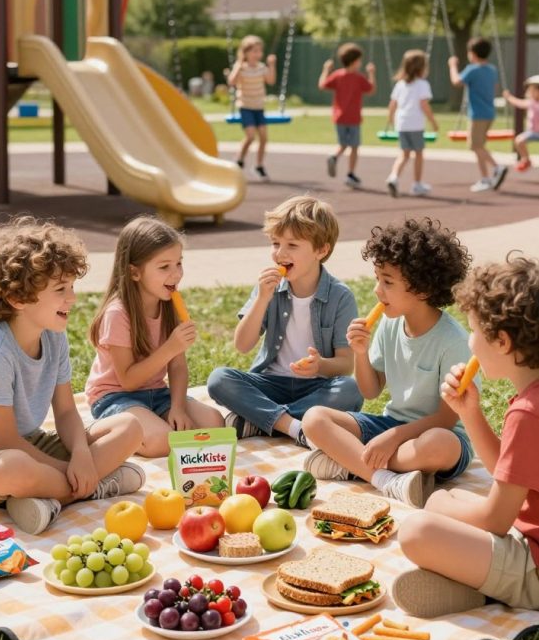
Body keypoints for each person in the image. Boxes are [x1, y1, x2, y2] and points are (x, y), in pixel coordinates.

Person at [0, 218, 145, 536]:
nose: (72, 298)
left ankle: (51, 498)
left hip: (30, 442)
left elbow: (68, 411)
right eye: (60, 290)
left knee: (130, 426)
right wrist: (74, 472)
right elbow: (5, 442)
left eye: (71, 287)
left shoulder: (54, 337)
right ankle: (90, 487)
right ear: (18, 299)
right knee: (13, 468)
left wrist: (82, 456)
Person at [392, 256, 539, 618]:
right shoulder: (531, 398)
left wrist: (440, 506)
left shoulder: (528, 413)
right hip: (529, 535)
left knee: (419, 528)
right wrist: (469, 413)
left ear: (502, 342)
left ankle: (491, 592)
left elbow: (495, 521)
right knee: (454, 497)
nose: (470, 342)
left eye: (473, 331)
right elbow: (511, 471)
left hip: (534, 564)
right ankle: (477, 585)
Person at [302, 218, 473, 508]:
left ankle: (352, 463)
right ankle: (385, 479)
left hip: (434, 434)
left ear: (422, 290)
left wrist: (393, 438)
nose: (377, 291)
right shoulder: (390, 324)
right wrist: (360, 351)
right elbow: (370, 392)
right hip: (390, 425)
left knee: (439, 445)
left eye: (388, 282)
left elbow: (447, 418)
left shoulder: (453, 341)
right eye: (377, 279)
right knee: (314, 419)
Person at [207, 195, 363, 445]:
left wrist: (320, 365)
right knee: (219, 379)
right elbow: (242, 345)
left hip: (315, 388)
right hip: (270, 383)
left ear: (321, 250)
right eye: (275, 243)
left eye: (292, 245)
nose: (280, 253)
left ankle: (263, 419)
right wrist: (262, 300)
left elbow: (345, 365)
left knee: (350, 390)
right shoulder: (268, 288)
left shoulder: (340, 296)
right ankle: (294, 426)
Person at [86, 216, 223, 458]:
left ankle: (151, 424)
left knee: (214, 423)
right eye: (164, 267)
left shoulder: (170, 305)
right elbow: (128, 381)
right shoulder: (117, 314)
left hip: (156, 394)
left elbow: (178, 366)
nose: (176, 274)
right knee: (162, 441)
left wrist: (178, 408)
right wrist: (170, 348)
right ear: (135, 272)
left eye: (179, 263)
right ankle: (102, 433)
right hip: (115, 397)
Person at [448, 38, 508, 193]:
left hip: (477, 114)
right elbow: (494, 86)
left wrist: (452, 65)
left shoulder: (472, 69)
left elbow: (456, 81)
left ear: (472, 54)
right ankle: (485, 179)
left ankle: (497, 167)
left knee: (475, 146)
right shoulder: (492, 69)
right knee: (479, 146)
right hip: (489, 112)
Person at [319, 42, 376, 188]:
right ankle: (350, 174)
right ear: (356, 61)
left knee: (343, 144)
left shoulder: (337, 75)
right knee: (354, 147)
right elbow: (371, 90)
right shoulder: (358, 77)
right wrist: (371, 73)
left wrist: (325, 69)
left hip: (339, 117)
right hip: (354, 118)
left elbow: (322, 85)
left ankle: (334, 156)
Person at [385, 49, 438, 198]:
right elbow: (424, 105)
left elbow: (392, 104)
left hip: (401, 123)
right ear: (422, 68)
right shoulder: (422, 84)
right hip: (415, 124)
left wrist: (390, 119)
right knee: (419, 154)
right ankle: (417, 184)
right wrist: (433, 121)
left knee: (404, 154)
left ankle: (393, 177)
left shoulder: (400, 84)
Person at [227, 35, 277, 181]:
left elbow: (271, 81)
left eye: (259, 51)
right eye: (254, 51)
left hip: (259, 106)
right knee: (250, 136)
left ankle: (259, 166)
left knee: (263, 137)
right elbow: (231, 82)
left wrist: (272, 65)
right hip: (245, 107)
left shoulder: (262, 68)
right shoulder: (241, 68)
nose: (257, 54)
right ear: (246, 52)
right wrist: (237, 65)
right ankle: (239, 159)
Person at [503, 75, 539, 172]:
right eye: (530, 90)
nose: (531, 93)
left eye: (533, 90)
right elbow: (518, 103)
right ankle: (526, 160)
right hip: (532, 132)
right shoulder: (530, 102)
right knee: (519, 140)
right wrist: (508, 97)